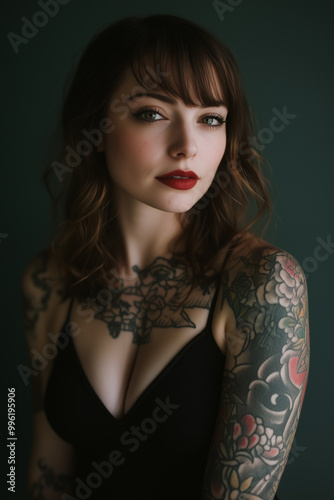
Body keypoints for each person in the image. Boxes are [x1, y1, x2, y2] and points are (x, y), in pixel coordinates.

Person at [21, 14, 309, 500]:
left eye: (211, 119)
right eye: (153, 113)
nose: (187, 147)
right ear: (95, 125)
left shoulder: (261, 282)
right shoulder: (48, 279)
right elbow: (36, 467)